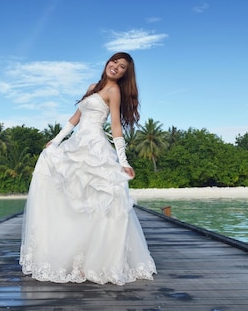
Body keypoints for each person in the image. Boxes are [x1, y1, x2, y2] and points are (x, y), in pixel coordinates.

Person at [19, 52, 157, 285]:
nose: (115, 67)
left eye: (121, 67)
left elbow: (115, 126)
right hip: (77, 144)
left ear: (125, 74)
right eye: (114, 61)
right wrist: (57, 140)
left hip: (95, 147)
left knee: (97, 202)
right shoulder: (93, 86)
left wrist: (123, 160)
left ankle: (96, 260)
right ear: (107, 62)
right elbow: (75, 118)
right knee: (71, 198)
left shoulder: (114, 91)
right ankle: (74, 258)